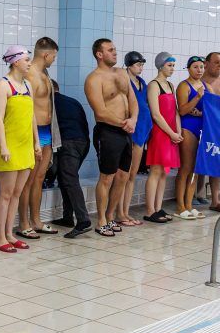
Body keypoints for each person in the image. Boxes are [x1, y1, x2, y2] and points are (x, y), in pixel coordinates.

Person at [85, 38, 138, 236]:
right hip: (107, 132)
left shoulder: (122, 73)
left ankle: (110, 215)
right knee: (107, 177)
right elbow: (100, 112)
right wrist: (125, 123)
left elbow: (132, 99)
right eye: (110, 50)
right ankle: (100, 220)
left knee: (123, 176)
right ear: (99, 54)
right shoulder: (94, 79)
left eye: (115, 49)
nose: (115, 52)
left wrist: (133, 119)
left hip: (126, 130)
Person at [0, 46, 36, 252]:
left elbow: (32, 116)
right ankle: (0, 237)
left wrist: (36, 142)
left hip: (26, 145)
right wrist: (3, 146)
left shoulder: (28, 85)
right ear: (15, 62)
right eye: (26, 60)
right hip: (8, 146)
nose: (29, 63)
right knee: (6, 193)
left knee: (17, 193)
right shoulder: (3, 85)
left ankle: (10, 233)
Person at [17, 37, 58, 239]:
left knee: (40, 178)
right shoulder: (30, 75)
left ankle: (36, 220)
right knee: (28, 180)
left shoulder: (44, 74)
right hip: (33, 133)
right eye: (53, 56)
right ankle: (23, 223)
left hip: (47, 131)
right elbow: (28, 109)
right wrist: (34, 140)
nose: (54, 60)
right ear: (45, 54)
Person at [49, 79, 92, 239]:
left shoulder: (50, 103)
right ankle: (67, 217)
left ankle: (83, 220)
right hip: (83, 142)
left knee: (69, 179)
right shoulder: (73, 101)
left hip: (69, 143)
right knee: (64, 178)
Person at [143, 52, 181, 224]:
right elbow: (156, 114)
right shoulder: (153, 85)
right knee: (156, 171)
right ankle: (150, 210)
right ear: (160, 66)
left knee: (164, 172)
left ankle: (158, 208)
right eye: (169, 65)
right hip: (160, 133)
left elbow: (175, 112)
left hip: (172, 133)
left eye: (173, 66)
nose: (172, 69)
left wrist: (178, 131)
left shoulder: (171, 85)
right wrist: (171, 133)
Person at [118, 51, 150, 229]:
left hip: (142, 128)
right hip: (129, 129)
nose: (141, 68)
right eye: (138, 65)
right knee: (123, 174)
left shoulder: (142, 83)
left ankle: (125, 210)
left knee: (132, 175)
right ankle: (118, 212)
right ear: (129, 65)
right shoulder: (124, 81)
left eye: (142, 65)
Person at [174, 56, 207, 220]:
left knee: (195, 169)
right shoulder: (184, 86)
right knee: (186, 168)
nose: (199, 70)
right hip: (188, 128)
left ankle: (189, 205)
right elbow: (182, 110)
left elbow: (209, 108)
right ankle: (180, 206)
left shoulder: (205, 86)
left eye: (201, 67)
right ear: (188, 69)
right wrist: (197, 97)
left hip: (201, 127)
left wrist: (200, 112)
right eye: (195, 67)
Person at [202, 52, 220, 211]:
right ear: (206, 64)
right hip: (204, 127)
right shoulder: (199, 81)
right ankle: (198, 198)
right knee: (202, 165)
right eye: (216, 62)